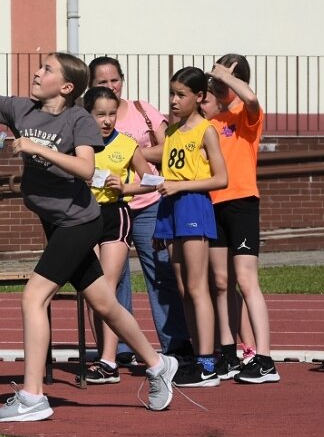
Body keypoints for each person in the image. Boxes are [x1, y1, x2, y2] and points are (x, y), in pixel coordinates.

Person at [0, 52, 178, 422]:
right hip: (57, 224)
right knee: (104, 303)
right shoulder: (21, 109)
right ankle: (160, 365)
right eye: (39, 66)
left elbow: (84, 168)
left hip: (80, 223)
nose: (36, 72)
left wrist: (37, 148)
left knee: (33, 297)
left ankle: (32, 397)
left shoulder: (78, 118)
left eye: (46, 69)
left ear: (66, 86)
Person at [88, 57, 193, 363]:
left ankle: (175, 343)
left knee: (160, 272)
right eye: (102, 82)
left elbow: (168, 147)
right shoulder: (86, 120)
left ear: (122, 79)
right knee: (112, 279)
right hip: (105, 209)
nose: (110, 86)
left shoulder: (141, 110)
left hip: (146, 205)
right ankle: (119, 349)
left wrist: (130, 154)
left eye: (114, 80)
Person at [207, 54, 280, 383]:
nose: (220, 85)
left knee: (246, 279)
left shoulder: (247, 112)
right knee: (221, 283)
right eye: (217, 80)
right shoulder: (214, 118)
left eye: (226, 80)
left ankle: (264, 359)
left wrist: (228, 76)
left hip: (242, 202)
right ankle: (228, 353)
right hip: (214, 204)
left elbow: (250, 97)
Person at [153, 67, 228, 388]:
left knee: (198, 288)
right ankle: (199, 356)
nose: (173, 100)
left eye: (181, 94)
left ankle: (209, 363)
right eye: (171, 93)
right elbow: (165, 175)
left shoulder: (206, 131)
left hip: (193, 205)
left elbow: (221, 178)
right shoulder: (172, 132)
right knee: (183, 288)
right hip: (170, 209)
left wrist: (181, 187)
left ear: (198, 97)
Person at [80, 86, 155, 384]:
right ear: (87, 115)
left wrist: (125, 188)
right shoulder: (78, 144)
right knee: (91, 291)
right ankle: (102, 355)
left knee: (107, 290)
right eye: (100, 114)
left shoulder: (127, 144)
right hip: (84, 217)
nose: (107, 120)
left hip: (115, 216)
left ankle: (108, 363)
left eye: (112, 114)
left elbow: (151, 180)